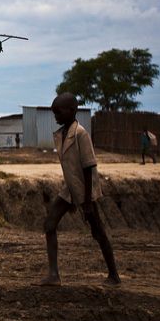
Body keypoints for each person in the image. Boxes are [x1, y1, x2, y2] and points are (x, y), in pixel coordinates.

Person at [37, 92, 120, 286]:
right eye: (54, 112)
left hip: (85, 189)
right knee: (50, 225)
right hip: (70, 189)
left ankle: (114, 275)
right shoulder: (62, 134)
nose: (55, 115)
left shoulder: (81, 133)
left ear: (72, 111)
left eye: (59, 111)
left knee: (98, 231)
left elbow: (89, 166)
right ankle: (53, 275)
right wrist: (72, 196)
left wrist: (87, 201)